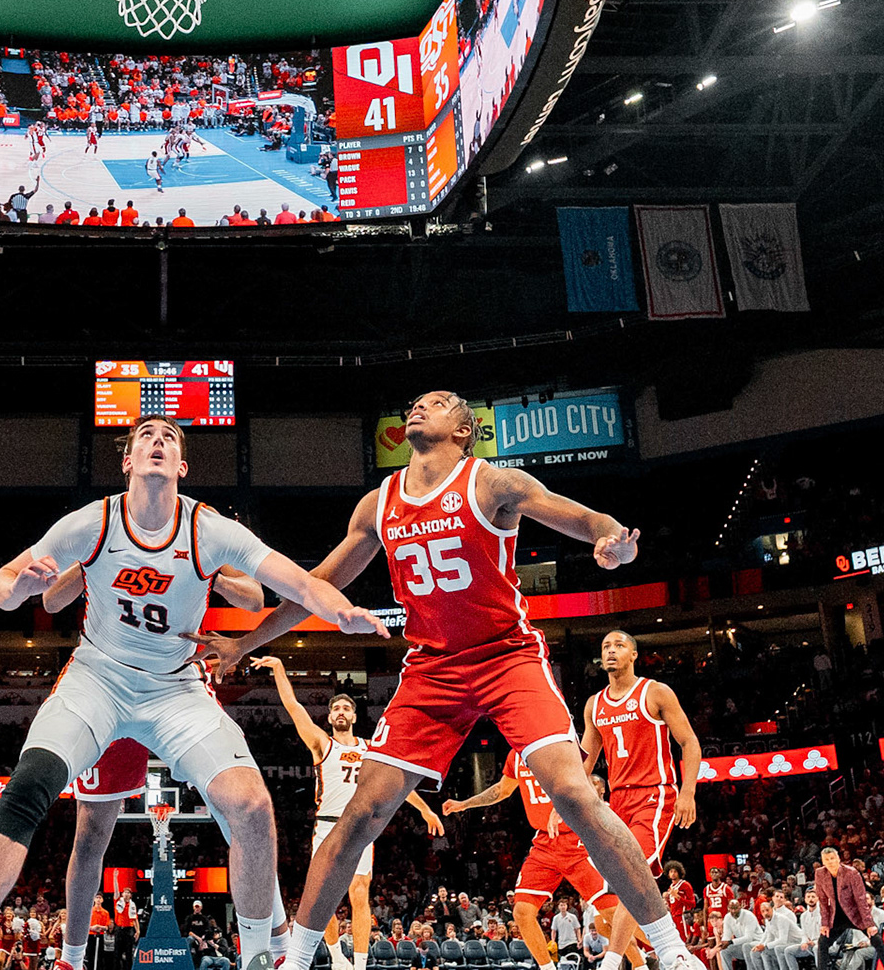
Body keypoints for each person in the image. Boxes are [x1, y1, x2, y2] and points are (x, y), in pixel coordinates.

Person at [188, 390, 701, 970]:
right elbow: (316, 586)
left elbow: (581, 516)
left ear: (465, 430)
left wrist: (612, 541)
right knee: (362, 814)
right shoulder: (377, 505)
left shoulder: (492, 484)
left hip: (506, 656)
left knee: (574, 793)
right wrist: (242, 642)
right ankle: (298, 958)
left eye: (437, 403)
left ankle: (672, 950)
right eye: (416, 402)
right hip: (432, 670)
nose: (418, 406)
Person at [0, 416, 387, 970]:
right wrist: (19, 588)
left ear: (182, 466)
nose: (157, 441)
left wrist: (341, 612)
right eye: (146, 435)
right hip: (99, 677)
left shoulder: (208, 529)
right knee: (29, 786)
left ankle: (258, 957)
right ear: (127, 461)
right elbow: (4, 583)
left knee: (251, 806)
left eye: (169, 438)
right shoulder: (93, 521)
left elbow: (295, 580)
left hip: (176, 687)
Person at [38, 565, 291, 970]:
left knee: (243, 809)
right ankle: (70, 960)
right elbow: (51, 601)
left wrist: (209, 574)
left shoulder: (197, 527)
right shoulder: (103, 526)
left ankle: (270, 948)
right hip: (106, 687)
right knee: (91, 833)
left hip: (177, 688)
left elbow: (254, 597)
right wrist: (89, 562)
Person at [251, 655, 442, 970]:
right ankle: (337, 956)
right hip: (327, 825)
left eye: (346, 708)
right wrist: (280, 671)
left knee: (359, 891)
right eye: (335, 708)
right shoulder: (321, 744)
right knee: (324, 897)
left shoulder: (372, 749)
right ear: (329, 718)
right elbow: (294, 709)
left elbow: (396, 787)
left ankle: (361, 962)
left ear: (354, 715)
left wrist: (425, 811)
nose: (340, 712)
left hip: (362, 827)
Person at [582, 631, 702, 970]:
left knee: (633, 876)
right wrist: (562, 799)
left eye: (619, 646)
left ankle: (614, 962)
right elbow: (585, 761)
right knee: (627, 883)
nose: (611, 651)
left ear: (634, 655)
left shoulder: (655, 692)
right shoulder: (595, 704)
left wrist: (688, 792)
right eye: (605, 646)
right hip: (617, 801)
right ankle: (678, 954)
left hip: (654, 793)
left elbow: (689, 743)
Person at [442, 755, 616, 970]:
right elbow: (500, 791)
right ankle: (547, 968)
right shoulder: (515, 755)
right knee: (522, 911)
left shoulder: (556, 744)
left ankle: (649, 956)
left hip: (577, 837)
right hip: (545, 841)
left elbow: (589, 781)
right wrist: (465, 804)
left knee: (613, 914)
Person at [815, 847, 884, 970]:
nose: (830, 861)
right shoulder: (820, 873)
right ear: (823, 862)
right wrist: (825, 923)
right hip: (836, 917)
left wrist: (869, 924)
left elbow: (861, 899)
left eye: (832, 858)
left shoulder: (851, 873)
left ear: (838, 859)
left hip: (855, 914)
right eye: (827, 859)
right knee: (822, 943)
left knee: (876, 940)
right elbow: (823, 901)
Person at [746, 892, 799, 970]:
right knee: (755, 951)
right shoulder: (769, 918)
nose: (778, 899)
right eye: (777, 896)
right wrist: (761, 944)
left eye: (781, 897)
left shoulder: (785, 916)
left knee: (768, 950)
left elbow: (784, 939)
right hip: (776, 943)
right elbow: (768, 934)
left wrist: (765, 946)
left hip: (790, 942)